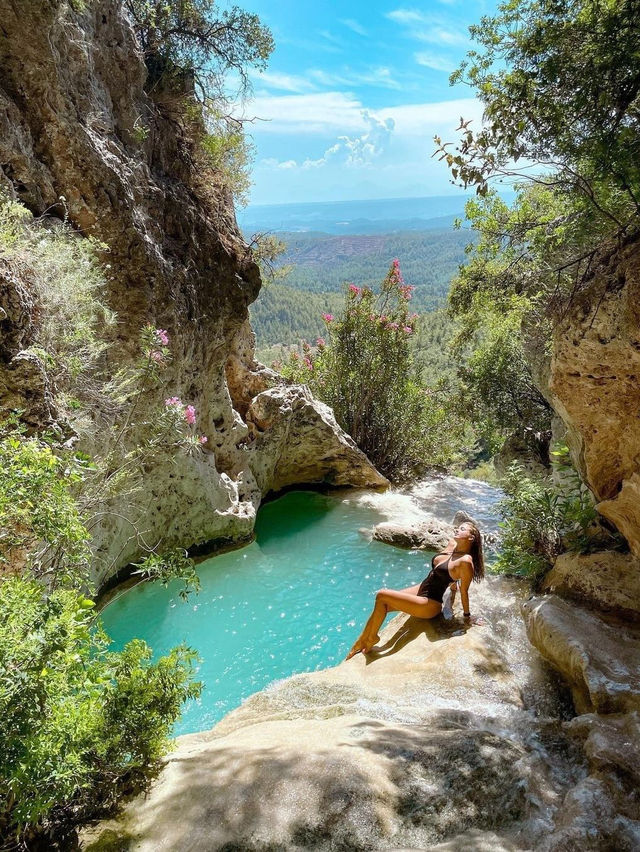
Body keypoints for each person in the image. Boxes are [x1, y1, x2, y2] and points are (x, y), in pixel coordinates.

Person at [345, 520, 485, 660]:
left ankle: (368, 638)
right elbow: (450, 575)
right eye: (458, 527)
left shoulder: (466, 561)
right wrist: (453, 586)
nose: (456, 530)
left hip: (430, 603)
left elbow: (465, 591)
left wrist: (467, 617)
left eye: (462, 529)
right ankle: (365, 639)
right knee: (382, 604)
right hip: (422, 587)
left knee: (382, 595)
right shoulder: (452, 545)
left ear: (470, 538)